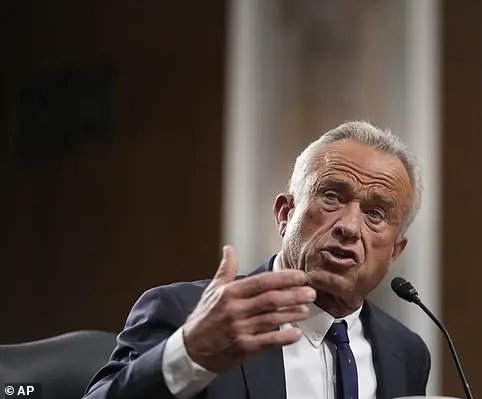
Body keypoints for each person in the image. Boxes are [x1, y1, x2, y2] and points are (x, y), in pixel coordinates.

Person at [83, 120, 431, 399]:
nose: (350, 227)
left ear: (395, 252)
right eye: (331, 197)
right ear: (285, 214)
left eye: (375, 214)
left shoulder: (406, 351)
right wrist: (188, 353)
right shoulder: (184, 312)